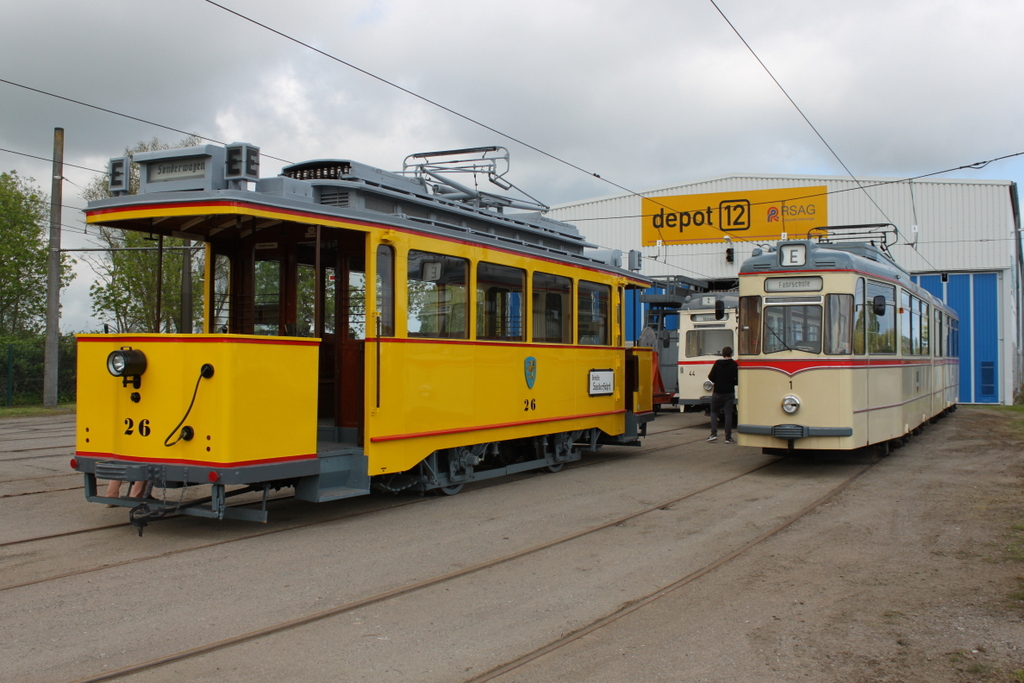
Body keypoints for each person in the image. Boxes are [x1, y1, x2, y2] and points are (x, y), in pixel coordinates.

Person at [707, 346, 738, 444]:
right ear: (731, 354)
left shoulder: (717, 364)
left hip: (717, 392)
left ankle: (713, 434)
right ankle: (728, 437)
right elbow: (738, 379)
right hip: (729, 393)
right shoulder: (734, 365)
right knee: (728, 414)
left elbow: (711, 377)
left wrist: (718, 381)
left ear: (722, 354)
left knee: (714, 412)